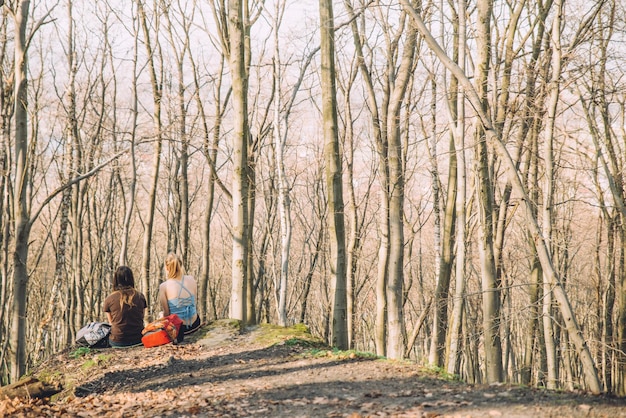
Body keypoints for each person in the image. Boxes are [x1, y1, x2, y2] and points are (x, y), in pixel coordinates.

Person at [158, 253, 201, 342]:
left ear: (166, 268)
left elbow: (167, 313)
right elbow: (194, 303)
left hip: (179, 329)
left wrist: (161, 317)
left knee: (161, 315)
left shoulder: (164, 286)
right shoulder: (191, 279)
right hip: (195, 324)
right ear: (180, 265)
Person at [103, 266, 147, 348]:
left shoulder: (110, 299)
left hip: (117, 341)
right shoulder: (140, 296)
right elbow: (141, 317)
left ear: (116, 279)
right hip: (138, 339)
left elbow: (111, 323)